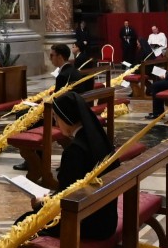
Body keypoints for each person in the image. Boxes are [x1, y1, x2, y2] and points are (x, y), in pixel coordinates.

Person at [41, 92, 117, 240]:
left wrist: (41, 202)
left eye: (56, 118)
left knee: (23, 222)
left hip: (85, 223)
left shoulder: (74, 151)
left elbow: (66, 198)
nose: (56, 124)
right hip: (105, 217)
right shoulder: (100, 139)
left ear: (66, 118)